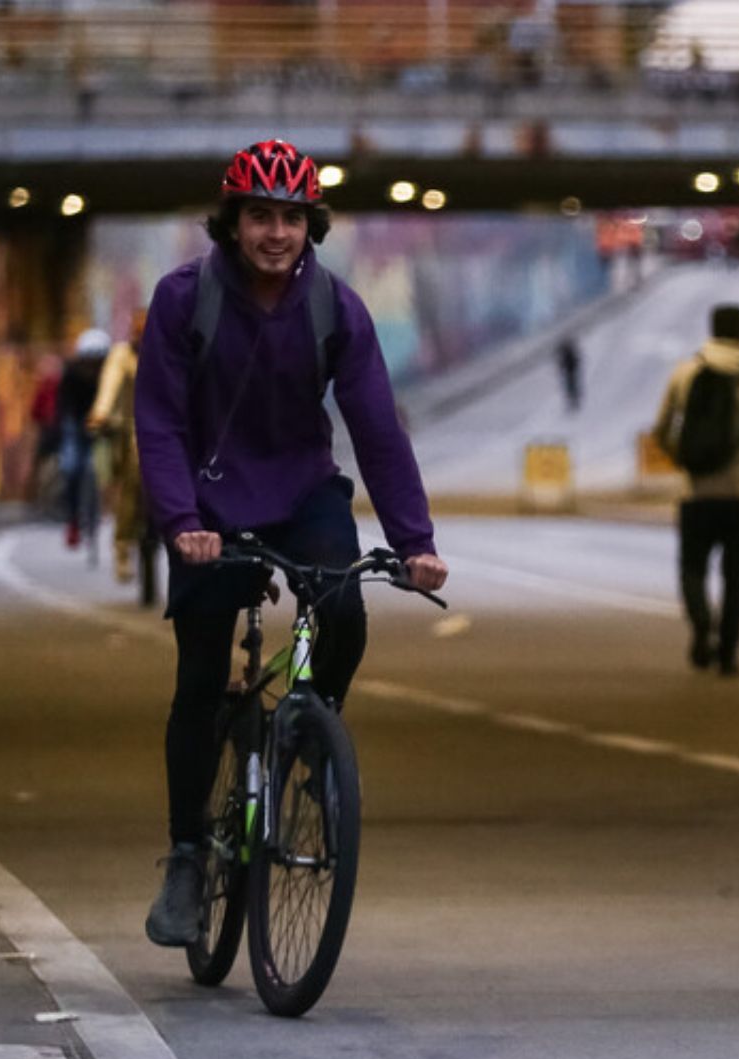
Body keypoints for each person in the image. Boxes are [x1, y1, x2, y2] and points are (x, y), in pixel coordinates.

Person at [134, 139, 448, 946]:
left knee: (344, 605)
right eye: (261, 216)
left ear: (314, 223)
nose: (277, 233)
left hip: (302, 491)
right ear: (232, 221)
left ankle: (313, 729)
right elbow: (160, 422)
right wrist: (182, 523)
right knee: (201, 677)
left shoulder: (335, 308)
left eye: (293, 218)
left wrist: (414, 541)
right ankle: (183, 857)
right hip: (208, 505)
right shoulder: (183, 300)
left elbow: (377, 426)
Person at [653, 304, 739, 675]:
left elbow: (662, 428)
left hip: (695, 493)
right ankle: (728, 653)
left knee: (692, 568)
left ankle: (700, 626)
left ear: (712, 331)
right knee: (735, 574)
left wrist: (684, 460)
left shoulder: (685, 372)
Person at [89, 310, 148, 583]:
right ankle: (123, 543)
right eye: (137, 329)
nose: (141, 334)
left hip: (168, 429)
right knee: (131, 479)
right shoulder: (120, 356)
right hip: (131, 428)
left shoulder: (169, 349)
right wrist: (101, 414)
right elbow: (109, 387)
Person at [56, 329, 109, 549]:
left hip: (101, 426)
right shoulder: (71, 374)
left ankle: (104, 509)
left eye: (97, 362)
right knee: (72, 467)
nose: (93, 368)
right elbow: (64, 406)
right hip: (75, 425)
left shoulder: (108, 375)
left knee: (100, 466)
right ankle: (73, 519)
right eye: (89, 362)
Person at [557, 335, 583, 412]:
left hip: (570, 371)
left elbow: (574, 360)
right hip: (570, 372)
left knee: (571, 386)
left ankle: (574, 401)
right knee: (571, 386)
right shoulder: (568, 352)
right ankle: (573, 401)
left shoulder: (568, 353)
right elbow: (575, 360)